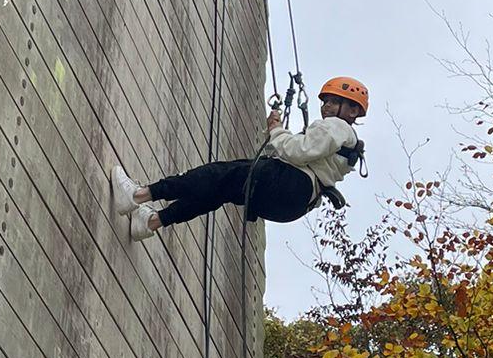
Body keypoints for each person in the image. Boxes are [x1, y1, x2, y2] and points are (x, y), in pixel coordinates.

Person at [113, 76, 369, 240]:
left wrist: (276, 130)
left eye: (335, 101)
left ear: (353, 110)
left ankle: (138, 195)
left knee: (217, 174)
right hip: (295, 203)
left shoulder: (337, 126)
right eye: (326, 101)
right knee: (218, 191)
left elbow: (297, 152)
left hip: (290, 184)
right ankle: (152, 222)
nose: (326, 106)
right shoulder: (347, 144)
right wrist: (278, 134)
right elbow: (302, 154)